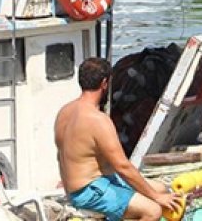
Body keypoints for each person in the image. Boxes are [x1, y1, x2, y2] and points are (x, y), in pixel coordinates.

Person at [55, 58, 178, 221]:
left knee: (161, 189)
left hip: (87, 184)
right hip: (89, 191)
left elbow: (62, 155)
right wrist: (155, 197)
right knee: (152, 210)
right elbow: (122, 166)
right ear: (105, 83)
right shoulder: (98, 120)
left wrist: (157, 193)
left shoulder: (64, 112)